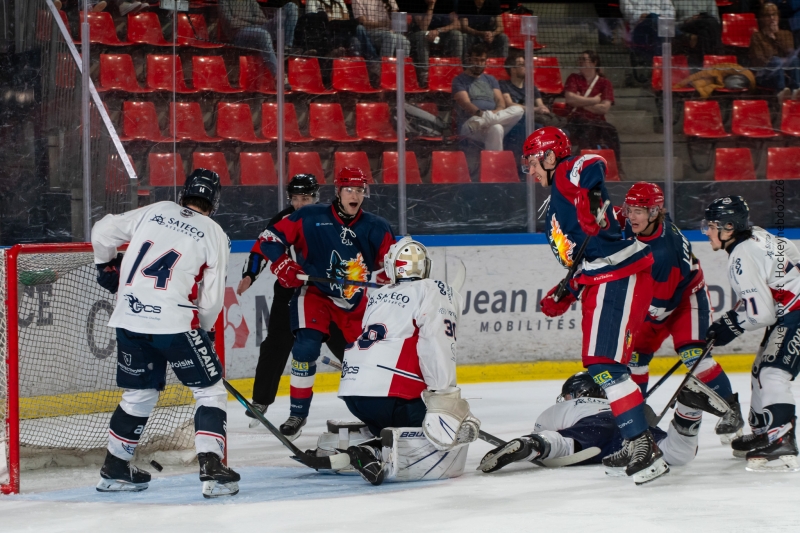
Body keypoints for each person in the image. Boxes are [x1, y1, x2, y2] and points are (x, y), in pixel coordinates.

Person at [523, 126, 666, 484]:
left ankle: (642, 444)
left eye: (533, 162)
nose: (531, 170)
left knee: (604, 365)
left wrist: (587, 199)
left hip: (616, 276)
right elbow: (589, 257)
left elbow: (592, 162)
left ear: (550, 155)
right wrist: (567, 290)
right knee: (606, 366)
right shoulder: (558, 197)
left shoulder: (566, 174)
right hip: (604, 277)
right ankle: (636, 440)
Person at [91, 169, 240, 497]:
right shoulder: (214, 233)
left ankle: (114, 468)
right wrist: (206, 330)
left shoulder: (157, 209)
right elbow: (212, 298)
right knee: (209, 390)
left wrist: (104, 265)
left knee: (139, 395)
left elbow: (101, 230)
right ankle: (212, 467)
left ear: (184, 193)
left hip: (129, 318)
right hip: (174, 323)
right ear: (214, 202)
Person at [252, 167, 395, 439]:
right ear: (338, 191)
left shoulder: (377, 227)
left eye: (360, 190)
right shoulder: (309, 216)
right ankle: (297, 414)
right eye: (349, 190)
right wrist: (282, 263)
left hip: (355, 302)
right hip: (315, 294)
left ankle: (380, 415)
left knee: (367, 361)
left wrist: (390, 277)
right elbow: (268, 239)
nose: (355, 196)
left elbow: (393, 263)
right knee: (305, 347)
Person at [338, 237, 480, 485]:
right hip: (393, 396)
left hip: (354, 394)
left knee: (390, 422)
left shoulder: (378, 295)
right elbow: (436, 342)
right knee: (441, 433)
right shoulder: (434, 290)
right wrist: (444, 395)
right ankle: (379, 448)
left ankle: (371, 447)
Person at [620, 182, 744, 443]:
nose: (631, 216)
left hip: (685, 299)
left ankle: (731, 411)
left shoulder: (665, 252)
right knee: (635, 359)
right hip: (656, 297)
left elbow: (660, 308)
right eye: (629, 209)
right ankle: (636, 416)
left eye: (638, 211)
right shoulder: (644, 223)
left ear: (655, 213)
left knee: (694, 356)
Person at [236, 175, 347, 424]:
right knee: (276, 342)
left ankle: (366, 386)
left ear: (316, 197)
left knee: (344, 341)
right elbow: (261, 248)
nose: (299, 204)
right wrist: (250, 275)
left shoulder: (332, 218)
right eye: (295, 199)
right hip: (290, 292)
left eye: (304, 198)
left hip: (324, 292)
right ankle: (261, 400)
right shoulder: (284, 219)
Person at [701, 196, 800, 472]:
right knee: (760, 370)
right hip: (790, 311)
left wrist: (730, 326)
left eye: (711, 226)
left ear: (729, 227)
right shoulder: (758, 234)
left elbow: (762, 314)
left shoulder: (740, 257)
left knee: (772, 373)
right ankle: (763, 433)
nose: (707, 232)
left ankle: (782, 439)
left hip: (795, 312)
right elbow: (789, 250)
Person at [478, 372, 714, 478]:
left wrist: (537, 439)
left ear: (576, 393)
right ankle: (688, 409)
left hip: (594, 427)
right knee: (677, 453)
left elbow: (544, 426)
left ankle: (528, 446)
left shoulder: (567, 406)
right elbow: (647, 414)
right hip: (631, 424)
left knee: (563, 443)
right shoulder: (620, 400)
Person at [453, 43, 524, 152]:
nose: (479, 64)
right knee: (497, 125)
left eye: (482, 60)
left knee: (517, 111)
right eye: (476, 60)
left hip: (488, 121)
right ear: (469, 60)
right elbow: (466, 104)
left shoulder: (491, 79)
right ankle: (486, 120)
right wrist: (481, 115)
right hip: (471, 123)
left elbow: (500, 102)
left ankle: (494, 163)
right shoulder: (459, 80)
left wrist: (489, 117)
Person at [562, 50, 621, 164]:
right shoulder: (573, 78)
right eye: (580, 59)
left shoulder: (605, 83)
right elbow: (569, 99)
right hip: (576, 120)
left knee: (611, 132)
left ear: (594, 63)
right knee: (585, 130)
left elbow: (604, 108)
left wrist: (579, 101)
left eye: (584, 59)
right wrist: (594, 101)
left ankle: (616, 165)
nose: (580, 62)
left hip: (597, 122)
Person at [219, 0, 299, 79]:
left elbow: (262, 19)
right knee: (263, 34)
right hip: (239, 34)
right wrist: (253, 21)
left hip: (261, 28)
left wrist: (243, 19)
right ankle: (279, 76)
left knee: (291, 6)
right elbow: (231, 23)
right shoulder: (224, 1)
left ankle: (286, 47)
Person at [499, 52, 550, 164]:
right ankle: (521, 165)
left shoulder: (531, 88)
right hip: (515, 121)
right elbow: (509, 104)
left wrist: (542, 109)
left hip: (532, 120)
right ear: (512, 69)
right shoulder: (504, 85)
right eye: (521, 64)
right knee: (524, 128)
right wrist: (535, 109)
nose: (525, 67)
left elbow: (541, 105)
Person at [749, 2, 800, 103]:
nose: (772, 18)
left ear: (778, 16)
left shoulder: (786, 34)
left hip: (785, 74)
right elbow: (760, 61)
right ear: (762, 18)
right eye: (768, 15)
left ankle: (796, 90)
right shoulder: (756, 37)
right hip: (766, 75)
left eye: (774, 14)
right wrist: (770, 38)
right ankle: (781, 93)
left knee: (794, 59)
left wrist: (777, 37)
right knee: (776, 60)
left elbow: (789, 52)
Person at [407, 0, 465, 86]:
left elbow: (457, 24)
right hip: (418, 37)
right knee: (423, 34)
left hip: (439, 35)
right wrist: (431, 6)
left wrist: (439, 30)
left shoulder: (445, 2)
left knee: (457, 34)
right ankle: (425, 74)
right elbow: (423, 27)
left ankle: (455, 70)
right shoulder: (416, 3)